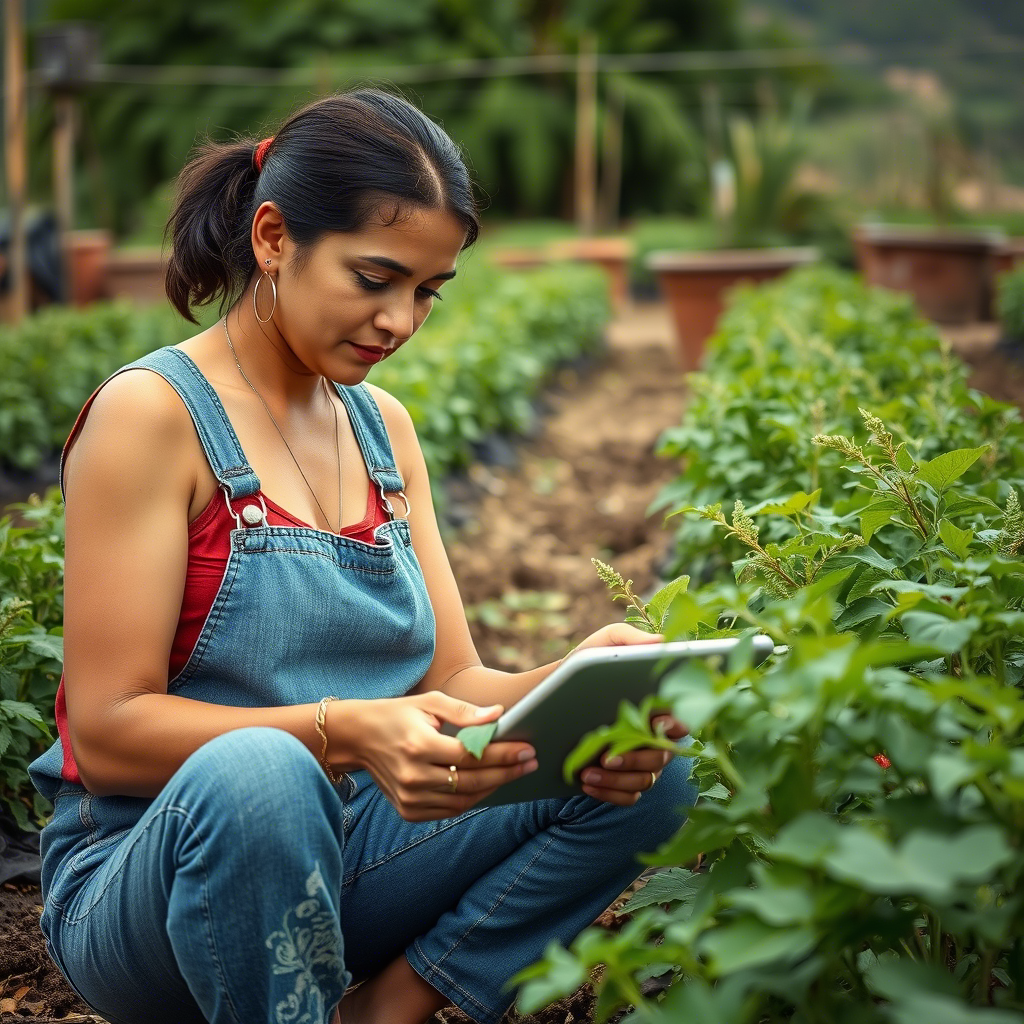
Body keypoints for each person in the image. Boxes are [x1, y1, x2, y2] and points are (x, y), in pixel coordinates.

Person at [28, 88, 698, 1024]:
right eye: (374, 278)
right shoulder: (153, 416)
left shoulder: (384, 430)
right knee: (262, 777)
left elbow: (453, 678)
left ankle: (388, 1009)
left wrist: (576, 678)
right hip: (156, 882)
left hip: (347, 860)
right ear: (272, 238)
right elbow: (104, 732)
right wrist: (347, 731)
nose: (400, 321)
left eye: (426, 290)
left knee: (648, 763)